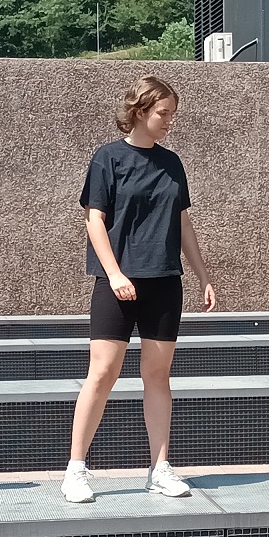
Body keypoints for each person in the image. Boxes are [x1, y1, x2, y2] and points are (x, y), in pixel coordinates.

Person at [62, 77, 216, 504]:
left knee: (158, 375)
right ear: (140, 110)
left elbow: (183, 223)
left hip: (164, 281)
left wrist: (203, 275)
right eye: (163, 113)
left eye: (173, 114)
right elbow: (94, 219)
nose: (169, 121)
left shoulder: (172, 163)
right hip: (117, 283)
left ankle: (159, 468)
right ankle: (76, 468)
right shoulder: (107, 158)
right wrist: (114, 274)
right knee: (102, 373)